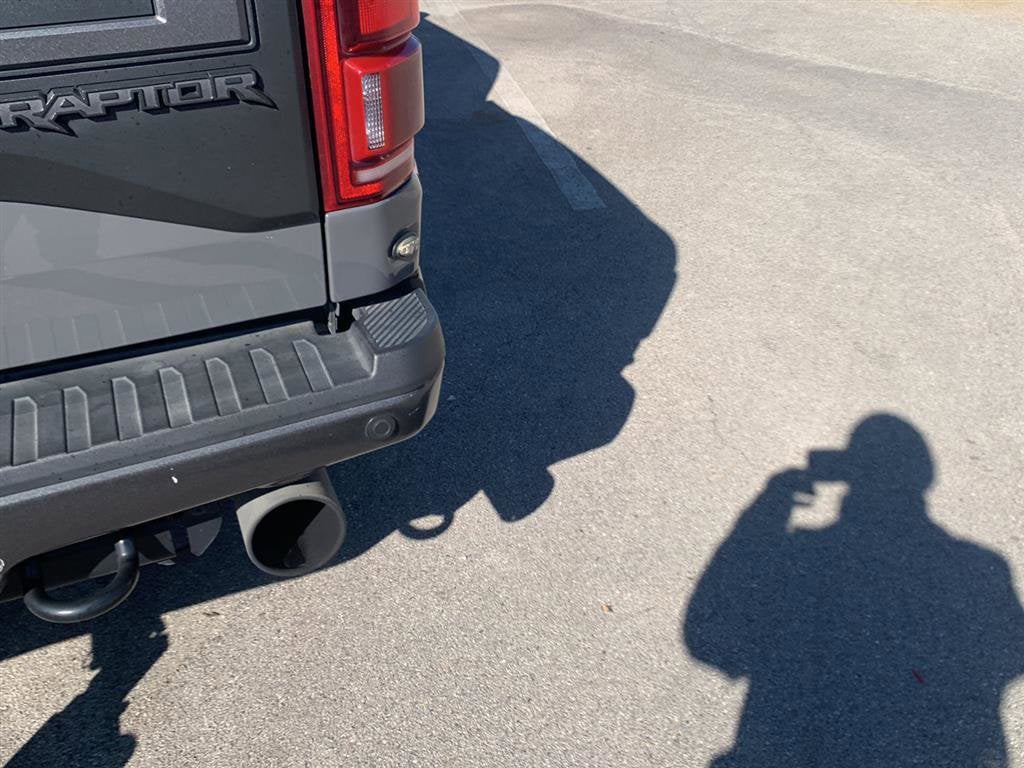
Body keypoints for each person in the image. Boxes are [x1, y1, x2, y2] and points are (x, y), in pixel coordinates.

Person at [684, 414, 1024, 767]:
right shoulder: (982, 566)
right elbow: (1012, 653)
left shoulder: (804, 554)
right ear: (924, 478)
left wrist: (772, 504)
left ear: (846, 472)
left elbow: (706, 636)